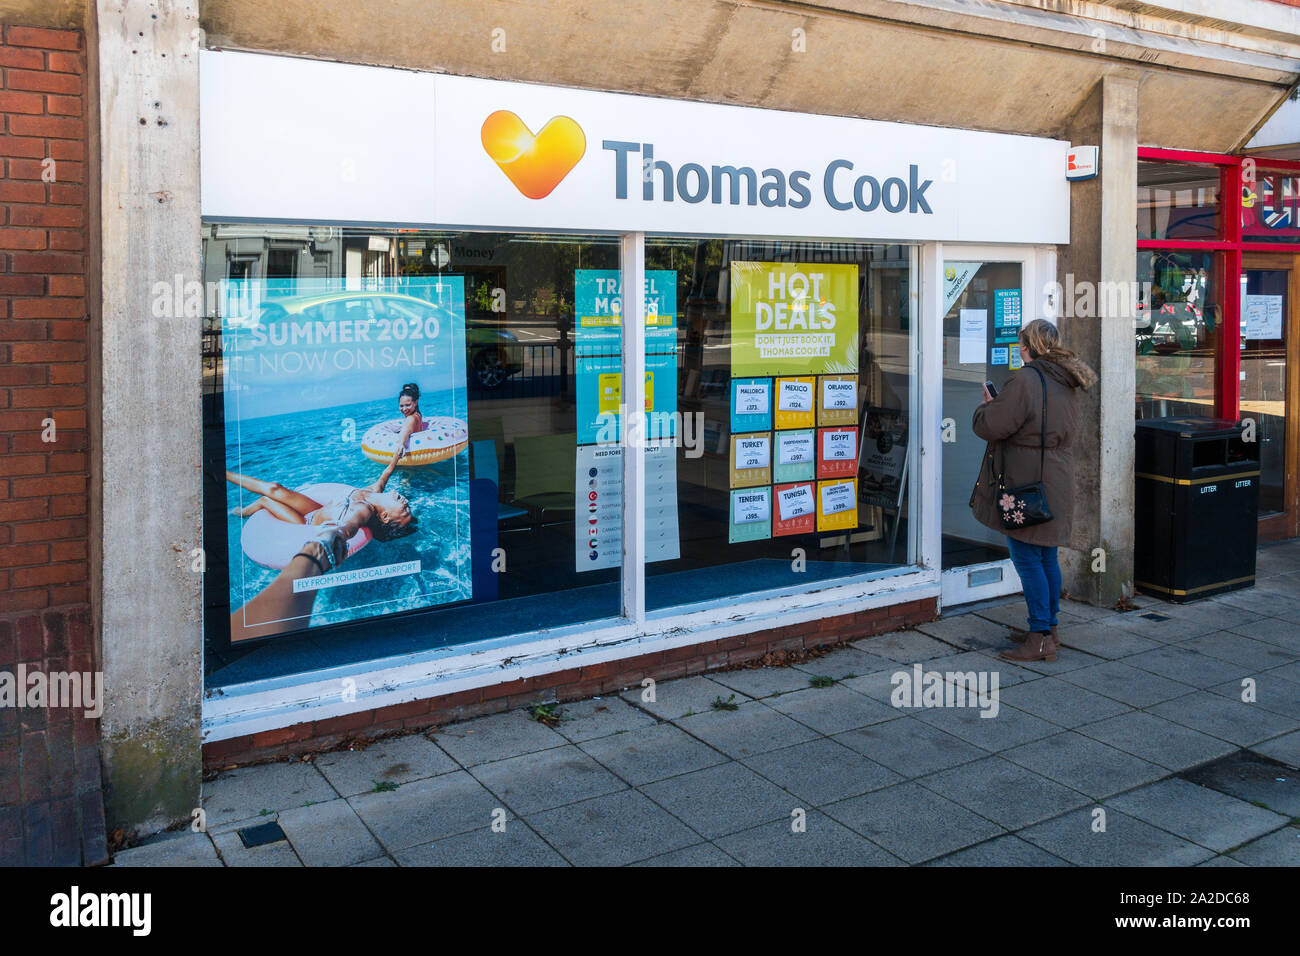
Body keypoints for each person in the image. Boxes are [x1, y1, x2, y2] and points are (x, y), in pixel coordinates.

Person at [969, 318, 1097, 662]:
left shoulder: (1026, 379)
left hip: (1025, 482)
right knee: (1045, 556)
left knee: (1026, 557)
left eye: (1021, 344)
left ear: (1027, 347)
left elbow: (993, 425)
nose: (1019, 348)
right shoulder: (1065, 379)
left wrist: (986, 407)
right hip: (1056, 478)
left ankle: (1039, 636)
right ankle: (1049, 628)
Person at [226, 451, 416, 544]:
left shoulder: (363, 510)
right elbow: (385, 474)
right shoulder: (373, 491)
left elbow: (349, 527)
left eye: (405, 509)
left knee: (266, 500)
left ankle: (242, 512)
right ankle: (224, 473)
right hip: (314, 510)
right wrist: (396, 457)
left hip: (305, 524)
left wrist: (339, 534)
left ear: (384, 517)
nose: (406, 502)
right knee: (275, 488)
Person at [392, 382, 425, 465]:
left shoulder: (411, 417)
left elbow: (408, 426)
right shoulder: (416, 414)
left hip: (411, 455)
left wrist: (401, 443)